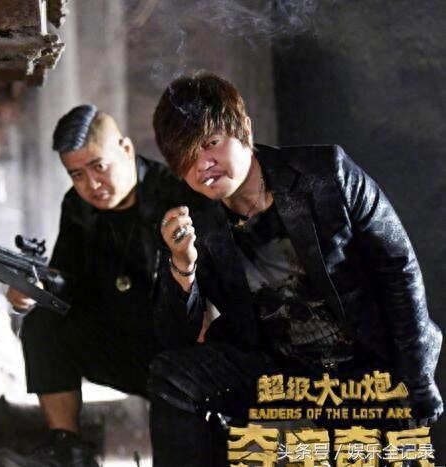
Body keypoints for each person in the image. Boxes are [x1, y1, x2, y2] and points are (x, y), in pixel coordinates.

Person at [148, 73, 443, 466]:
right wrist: (183, 266)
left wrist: (416, 382)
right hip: (279, 373)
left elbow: (399, 272)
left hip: (364, 367)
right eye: (187, 155)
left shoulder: (326, 175)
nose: (203, 164)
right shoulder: (189, 216)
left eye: (211, 143)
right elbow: (173, 341)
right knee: (172, 376)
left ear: (244, 130)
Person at [0, 105, 197, 467]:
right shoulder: (78, 206)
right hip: (122, 349)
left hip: (183, 351)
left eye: (99, 167)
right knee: (42, 323)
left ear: (126, 149)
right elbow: (65, 283)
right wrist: (31, 291)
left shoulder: (175, 194)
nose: (92, 185)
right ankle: (66, 449)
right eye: (77, 174)